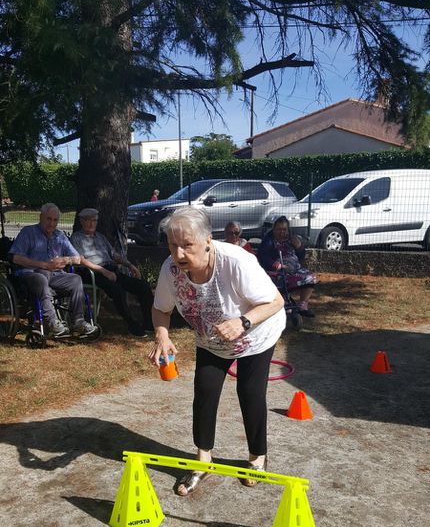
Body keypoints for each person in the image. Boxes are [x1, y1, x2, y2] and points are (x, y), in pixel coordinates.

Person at [149, 206, 285, 496]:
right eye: (173, 245)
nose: (179, 254)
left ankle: (257, 459)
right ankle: (202, 462)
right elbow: (161, 309)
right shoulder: (170, 270)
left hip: (255, 335)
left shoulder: (236, 262)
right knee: (205, 394)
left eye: (187, 245)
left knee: (250, 393)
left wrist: (243, 322)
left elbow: (275, 302)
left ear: (207, 240)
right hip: (210, 340)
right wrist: (162, 335)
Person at [10, 203, 97, 337]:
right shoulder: (28, 232)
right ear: (41, 217)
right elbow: (15, 258)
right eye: (48, 219)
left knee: (75, 279)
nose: (52, 223)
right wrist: (44, 265)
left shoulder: (60, 236)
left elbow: (77, 258)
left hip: (55, 276)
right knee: (41, 277)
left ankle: (78, 322)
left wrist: (65, 260)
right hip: (31, 274)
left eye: (55, 220)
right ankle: (51, 323)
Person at [71, 208, 154, 336]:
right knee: (117, 291)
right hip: (91, 272)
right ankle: (132, 325)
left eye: (94, 220)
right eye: (88, 220)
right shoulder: (76, 238)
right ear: (81, 221)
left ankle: (149, 324)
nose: (92, 223)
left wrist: (129, 264)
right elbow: (81, 260)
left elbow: (114, 255)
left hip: (111, 270)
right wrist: (103, 271)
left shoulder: (101, 237)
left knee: (142, 286)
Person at [257, 215, 317, 317]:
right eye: (279, 229)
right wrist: (279, 265)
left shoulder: (291, 238)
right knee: (283, 280)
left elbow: (302, 256)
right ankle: (284, 302)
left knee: (311, 277)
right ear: (274, 229)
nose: (282, 232)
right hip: (277, 271)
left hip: (295, 270)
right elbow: (263, 257)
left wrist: (299, 247)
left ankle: (302, 305)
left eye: (284, 229)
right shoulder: (269, 240)